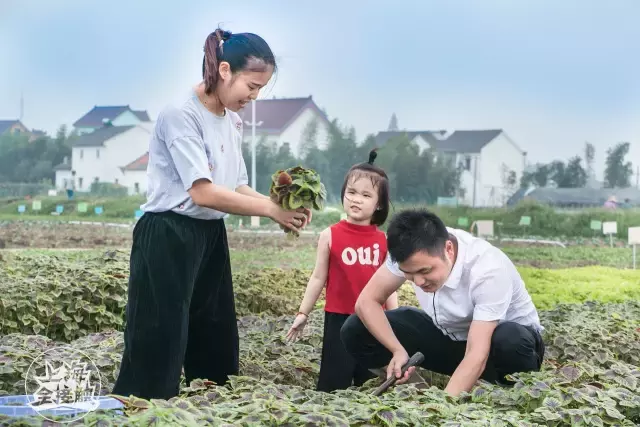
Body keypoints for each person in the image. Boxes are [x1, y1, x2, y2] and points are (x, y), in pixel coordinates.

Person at [112, 28, 311, 400]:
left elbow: (235, 185)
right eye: (251, 87)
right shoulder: (181, 114)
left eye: (260, 90)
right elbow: (202, 191)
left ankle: (210, 406)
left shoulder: (231, 120)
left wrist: (280, 208)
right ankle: (141, 410)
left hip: (209, 236)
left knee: (215, 331)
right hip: (168, 233)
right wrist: (269, 209)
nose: (253, 97)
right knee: (160, 334)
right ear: (223, 70)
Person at [340, 209, 545, 397]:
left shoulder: (487, 269)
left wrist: (441, 409)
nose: (418, 282)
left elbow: (477, 354)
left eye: (425, 271)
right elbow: (366, 302)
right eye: (409, 274)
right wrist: (397, 350)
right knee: (355, 328)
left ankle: (506, 397)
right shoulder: (407, 250)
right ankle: (417, 393)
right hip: (451, 337)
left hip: (502, 350)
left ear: (449, 249)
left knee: (509, 339)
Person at [286, 150, 398, 393]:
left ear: (379, 203)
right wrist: (303, 313)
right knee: (332, 382)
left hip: (373, 321)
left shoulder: (384, 241)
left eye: (366, 195)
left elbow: (388, 287)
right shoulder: (330, 235)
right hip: (337, 319)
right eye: (352, 192)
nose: (356, 199)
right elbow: (318, 277)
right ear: (343, 195)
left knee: (369, 385)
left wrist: (397, 322)